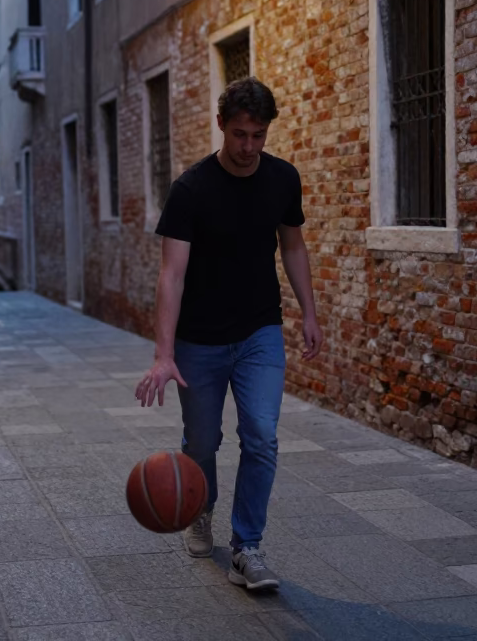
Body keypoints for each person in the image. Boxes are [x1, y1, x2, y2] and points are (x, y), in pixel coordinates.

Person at [134, 77, 322, 591]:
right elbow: (171, 275)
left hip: (260, 331)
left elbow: (293, 247)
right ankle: (200, 508)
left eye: (258, 135)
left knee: (261, 436)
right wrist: (163, 355)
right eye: (240, 134)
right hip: (199, 340)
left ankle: (247, 546)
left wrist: (309, 312)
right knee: (202, 441)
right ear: (221, 125)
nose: (248, 147)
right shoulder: (191, 190)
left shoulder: (283, 179)